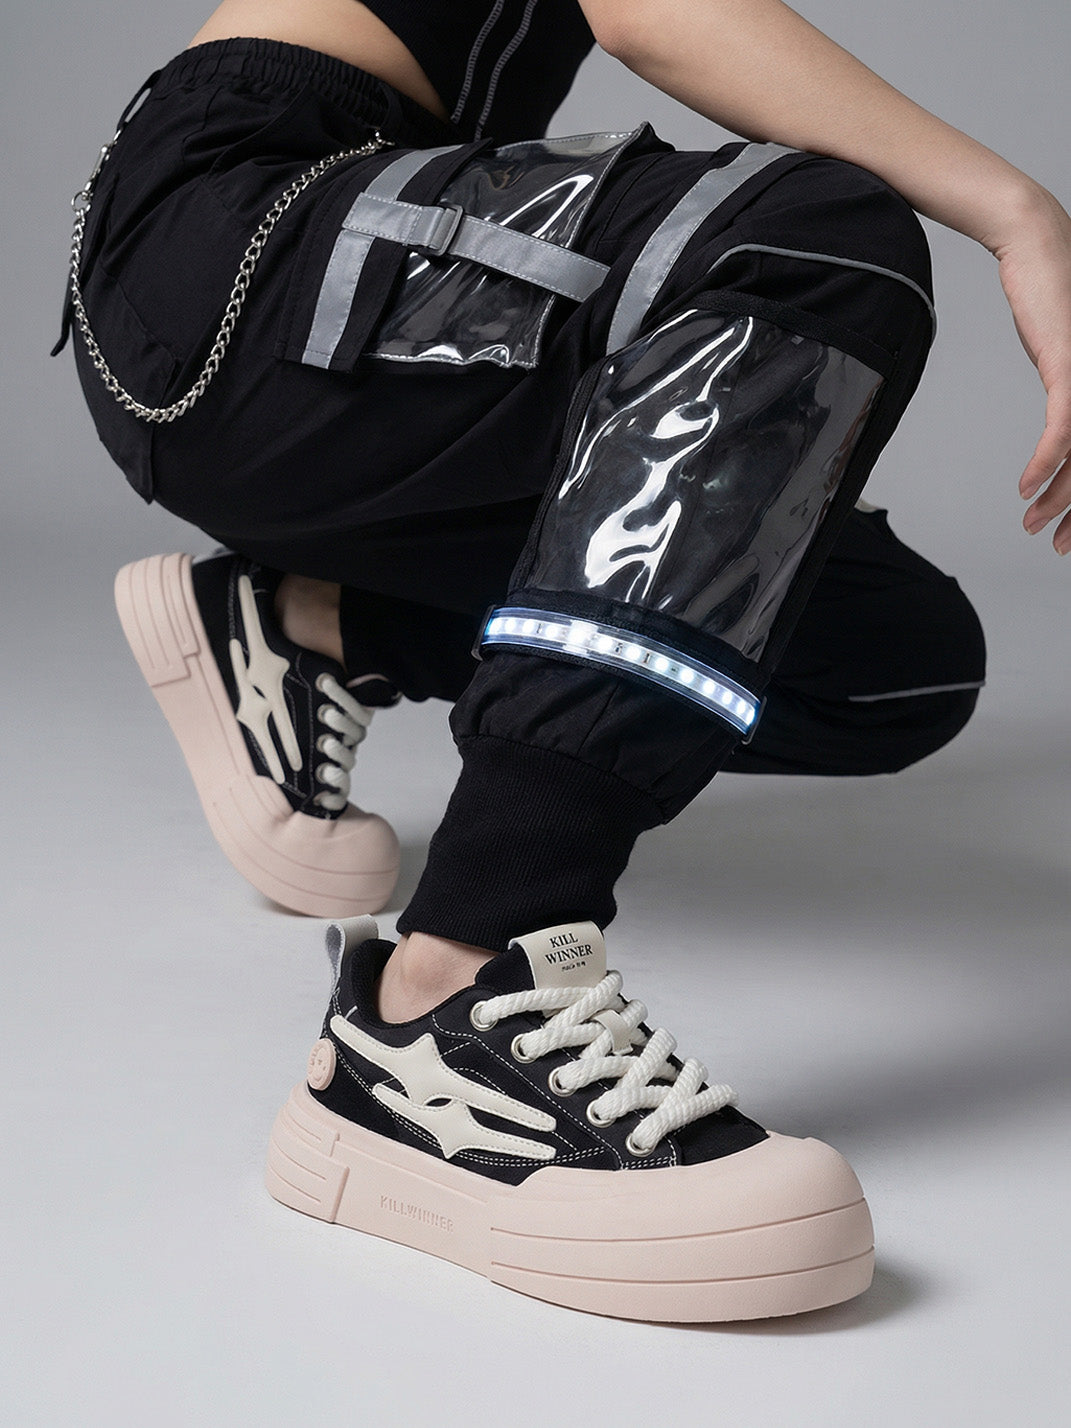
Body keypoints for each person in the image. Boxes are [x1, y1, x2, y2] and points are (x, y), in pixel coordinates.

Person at [59, 0, 1071, 1322]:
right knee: (808, 230)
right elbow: (655, 14)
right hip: (241, 234)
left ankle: (318, 623)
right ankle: (442, 1000)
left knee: (889, 659)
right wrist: (1020, 214)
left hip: (380, 335)